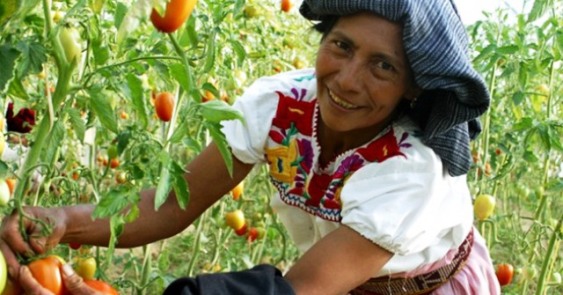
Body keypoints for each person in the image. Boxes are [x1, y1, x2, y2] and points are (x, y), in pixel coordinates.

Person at [0, 0, 502, 294]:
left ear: (414, 88)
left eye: (383, 66)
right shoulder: (277, 104)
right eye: (341, 45)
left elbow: (299, 291)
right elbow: (174, 201)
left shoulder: (412, 170)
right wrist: (67, 221)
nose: (347, 80)